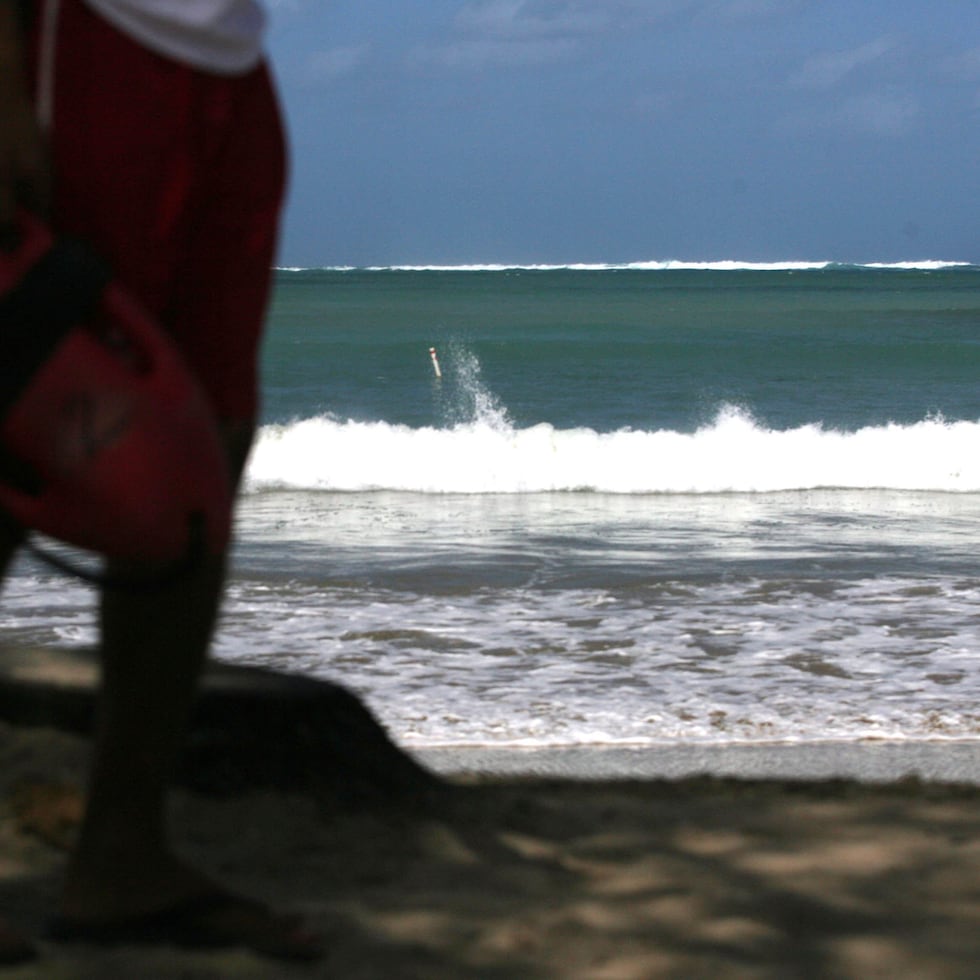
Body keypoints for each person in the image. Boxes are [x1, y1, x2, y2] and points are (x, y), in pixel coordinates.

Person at [0, 0, 322, 962]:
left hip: (229, 63)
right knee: (21, 425)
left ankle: (122, 861)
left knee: (198, 459)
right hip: (87, 41)